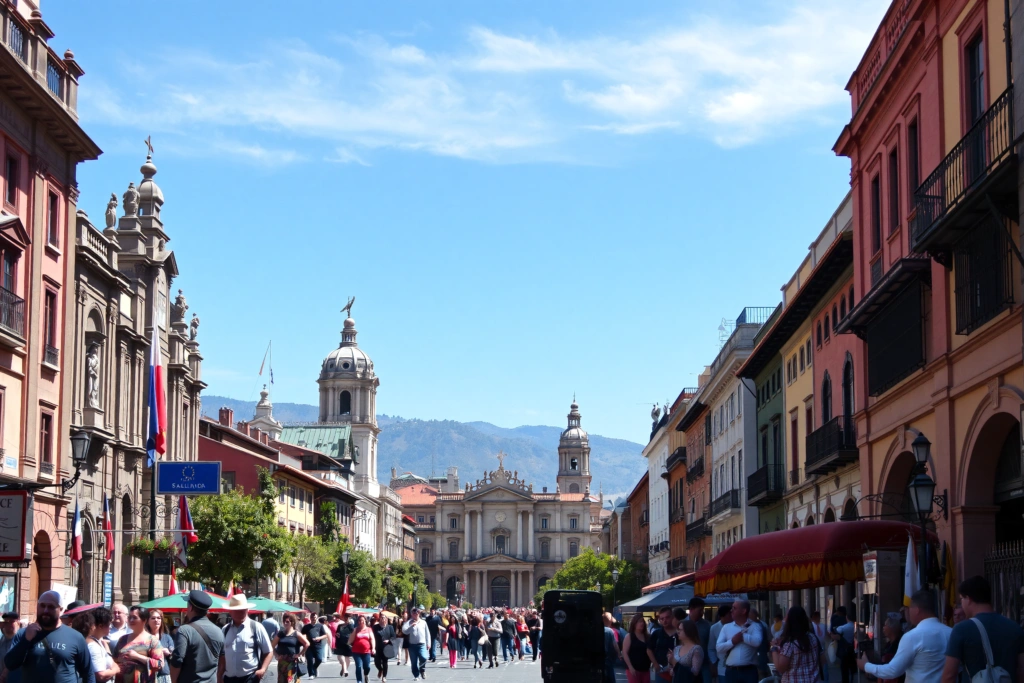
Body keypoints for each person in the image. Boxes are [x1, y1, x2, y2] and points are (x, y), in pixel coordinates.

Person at [942, 575, 1024, 683]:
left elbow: (949, 676)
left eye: (961, 599)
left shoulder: (961, 630)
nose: (962, 604)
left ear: (969, 599)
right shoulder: (1015, 628)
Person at [854, 590, 948, 683]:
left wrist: (866, 666)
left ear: (916, 610)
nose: (906, 613)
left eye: (908, 608)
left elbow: (893, 670)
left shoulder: (912, 636)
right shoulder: (950, 632)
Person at [3, 590, 94, 683]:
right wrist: (26, 640)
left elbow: (88, 673)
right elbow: (10, 664)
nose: (45, 610)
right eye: (42, 605)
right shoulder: (23, 634)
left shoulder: (75, 637)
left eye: (51, 607)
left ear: (61, 610)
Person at [169, 590, 225, 683]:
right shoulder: (219, 631)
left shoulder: (185, 630)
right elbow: (222, 661)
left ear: (190, 608)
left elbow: (177, 661)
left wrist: (173, 681)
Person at [218, 594, 273, 683]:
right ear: (230, 611)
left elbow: (269, 651)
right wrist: (219, 675)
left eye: (243, 609)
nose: (240, 612)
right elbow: (222, 655)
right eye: (237, 610)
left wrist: (263, 669)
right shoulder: (225, 630)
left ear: (247, 610)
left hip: (249, 678)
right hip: (228, 678)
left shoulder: (256, 627)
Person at [769, 606, 823, 683]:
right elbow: (823, 659)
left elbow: (780, 668)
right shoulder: (813, 638)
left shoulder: (790, 644)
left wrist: (774, 648)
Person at [111, 606, 162, 683]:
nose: (131, 620)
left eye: (134, 617)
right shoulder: (122, 639)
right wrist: (117, 663)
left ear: (144, 620)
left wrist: (137, 657)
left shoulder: (152, 640)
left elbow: (159, 664)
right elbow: (113, 659)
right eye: (130, 617)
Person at [715, 599, 762, 683]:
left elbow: (757, 642)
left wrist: (743, 636)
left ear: (743, 611)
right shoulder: (726, 627)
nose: (731, 610)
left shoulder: (755, 626)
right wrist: (732, 641)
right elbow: (718, 648)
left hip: (749, 671)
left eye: (734, 608)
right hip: (731, 671)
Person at [76, 608, 120, 683]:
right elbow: (101, 675)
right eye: (109, 624)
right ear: (100, 626)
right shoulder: (93, 646)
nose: (111, 627)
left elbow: (111, 662)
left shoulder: (98, 641)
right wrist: (116, 669)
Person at [271, 614, 309, 683]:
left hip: (292, 662)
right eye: (284, 621)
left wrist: (299, 654)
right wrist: (276, 655)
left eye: (287, 621)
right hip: (282, 662)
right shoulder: (281, 634)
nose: (285, 623)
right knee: (281, 681)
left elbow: (307, 644)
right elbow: (272, 646)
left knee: (291, 681)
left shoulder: (296, 634)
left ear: (292, 622)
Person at [668, 619, 704, 683]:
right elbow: (672, 669)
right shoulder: (677, 648)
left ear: (688, 631)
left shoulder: (696, 649)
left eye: (680, 630)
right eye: (678, 629)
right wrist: (671, 663)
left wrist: (675, 663)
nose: (678, 632)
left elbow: (695, 672)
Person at [648, 606, 678, 680]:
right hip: (662, 671)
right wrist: (655, 664)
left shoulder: (680, 632)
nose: (664, 620)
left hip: (678, 671)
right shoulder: (656, 634)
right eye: (662, 619)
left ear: (672, 617)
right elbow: (649, 649)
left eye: (667, 617)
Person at [686, 598, 712, 683]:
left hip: (704, 664)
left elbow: (710, 645)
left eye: (703, 610)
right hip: (686, 664)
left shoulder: (707, 625)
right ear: (691, 609)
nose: (702, 613)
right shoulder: (681, 624)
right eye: (700, 610)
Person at [145, 609, 173, 683]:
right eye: (153, 618)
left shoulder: (167, 637)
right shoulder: (144, 638)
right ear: (147, 621)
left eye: (158, 618)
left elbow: (174, 655)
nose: (156, 620)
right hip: (147, 674)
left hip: (164, 674)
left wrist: (169, 653)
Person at [402, 608, 430, 681]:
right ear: (411, 614)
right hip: (412, 645)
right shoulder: (409, 622)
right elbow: (404, 631)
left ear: (419, 614)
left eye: (417, 613)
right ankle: (416, 675)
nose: (415, 615)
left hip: (422, 644)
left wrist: (428, 643)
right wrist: (411, 626)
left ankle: (422, 669)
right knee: (414, 662)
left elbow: (427, 634)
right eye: (414, 613)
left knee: (424, 658)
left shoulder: (423, 622)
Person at [622, 614, 651, 683]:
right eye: (639, 621)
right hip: (634, 669)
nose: (642, 623)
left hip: (645, 669)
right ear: (634, 623)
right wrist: (630, 667)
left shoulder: (647, 636)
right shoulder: (629, 636)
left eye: (643, 621)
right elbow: (624, 652)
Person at [707, 606, 732, 683]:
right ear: (722, 616)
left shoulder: (735, 625)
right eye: (729, 614)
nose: (731, 615)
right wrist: (714, 662)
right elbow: (711, 648)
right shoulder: (714, 628)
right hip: (722, 665)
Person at [831, 606, 856, 683]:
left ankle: (846, 680)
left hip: (845, 649)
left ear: (847, 617)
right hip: (853, 649)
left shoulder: (844, 627)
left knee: (844, 667)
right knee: (852, 666)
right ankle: (852, 679)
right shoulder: (855, 626)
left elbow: (836, 631)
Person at [347, 615, 374, 683]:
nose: (361, 622)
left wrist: (373, 648)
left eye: (362, 620)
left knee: (367, 667)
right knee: (358, 666)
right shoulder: (356, 629)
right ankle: (359, 680)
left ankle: (366, 674)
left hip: (366, 651)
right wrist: (346, 645)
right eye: (359, 620)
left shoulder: (369, 629)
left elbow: (372, 639)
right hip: (356, 651)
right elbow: (351, 639)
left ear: (365, 621)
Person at [748, 608, 771, 680]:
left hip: (761, 654)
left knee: (762, 674)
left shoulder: (762, 625)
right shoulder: (749, 625)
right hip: (753, 656)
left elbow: (767, 639)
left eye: (750, 614)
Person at [372, 615, 394, 682]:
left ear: (386, 620)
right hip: (377, 647)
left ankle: (384, 677)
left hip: (386, 648)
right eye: (381, 618)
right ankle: (380, 669)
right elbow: (372, 636)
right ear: (379, 620)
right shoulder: (375, 627)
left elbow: (393, 636)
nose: (383, 620)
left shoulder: (390, 627)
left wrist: (388, 641)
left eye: (384, 619)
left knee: (385, 662)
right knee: (376, 662)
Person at [0, 611, 20, 683]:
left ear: (18, 623)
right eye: (6, 622)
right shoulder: (3, 638)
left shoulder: (21, 640)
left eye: (12, 622)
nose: (8, 625)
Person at [809, 611, 829, 683]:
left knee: (823, 665)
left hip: (821, 646)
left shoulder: (823, 626)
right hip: (817, 646)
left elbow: (827, 635)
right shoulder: (812, 625)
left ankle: (825, 679)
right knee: (822, 664)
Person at [603, 613, 621, 683]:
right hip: (608, 660)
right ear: (610, 621)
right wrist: (619, 654)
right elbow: (615, 644)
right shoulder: (609, 631)